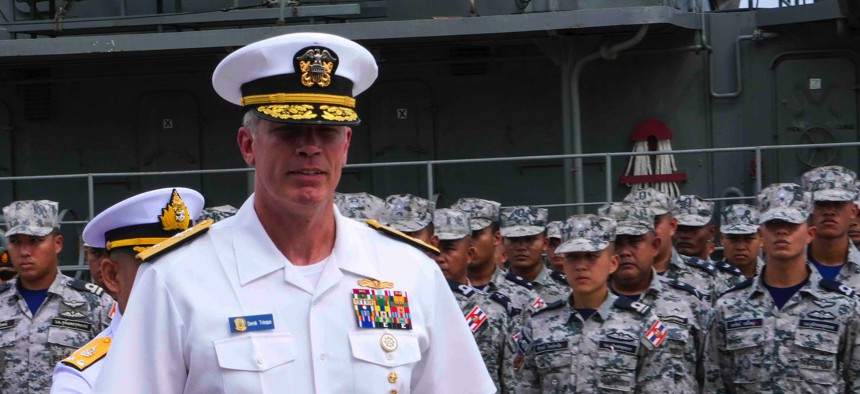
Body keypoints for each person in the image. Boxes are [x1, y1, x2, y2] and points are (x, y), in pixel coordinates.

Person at [94, 32, 493, 393]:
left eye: (327, 132)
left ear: (347, 144)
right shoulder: (175, 279)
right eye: (288, 131)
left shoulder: (409, 271)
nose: (310, 147)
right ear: (248, 145)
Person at [704, 183, 860, 392]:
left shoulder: (844, 307)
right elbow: (715, 384)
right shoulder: (729, 307)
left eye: (791, 224)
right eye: (774, 224)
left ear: (810, 234)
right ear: (760, 235)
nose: (782, 231)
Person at [50, 188, 204, 394]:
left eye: (187, 264)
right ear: (112, 276)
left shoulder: (223, 346)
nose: (177, 279)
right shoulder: (84, 380)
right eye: (156, 268)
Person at [515, 214, 668, 393]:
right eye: (573, 257)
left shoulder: (642, 323)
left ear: (613, 263)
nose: (581, 266)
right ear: (563, 263)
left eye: (591, 256)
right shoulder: (538, 325)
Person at [0, 200, 114, 393]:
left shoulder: (94, 303)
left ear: (58, 243)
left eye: (35, 241)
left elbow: (117, 370)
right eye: (16, 242)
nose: (24, 252)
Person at [602, 203, 710, 392]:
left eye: (635, 241)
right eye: (618, 242)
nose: (625, 251)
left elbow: (710, 374)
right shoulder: (590, 306)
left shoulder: (688, 302)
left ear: (655, 245)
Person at [433, 208, 513, 392]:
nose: (439, 258)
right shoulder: (412, 306)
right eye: (434, 250)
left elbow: (510, 380)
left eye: (449, 249)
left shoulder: (493, 311)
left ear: (469, 254)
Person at [624, 188, 721, 303]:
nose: (645, 230)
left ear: (672, 226)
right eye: (634, 225)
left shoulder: (707, 279)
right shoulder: (604, 280)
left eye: (654, 221)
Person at [800, 166, 860, 289]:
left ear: (853, 211)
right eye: (821, 203)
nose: (829, 212)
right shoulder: (785, 268)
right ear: (806, 209)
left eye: (838, 204)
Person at [500, 206, 569, 306]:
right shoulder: (492, 290)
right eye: (514, 239)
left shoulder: (566, 288)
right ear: (503, 242)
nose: (521, 247)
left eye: (529, 239)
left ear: (545, 243)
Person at [672, 195, 743, 290]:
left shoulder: (729, 280)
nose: (685, 235)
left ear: (711, 232)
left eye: (693, 229)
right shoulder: (654, 276)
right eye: (679, 228)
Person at [718, 204, 763, 278]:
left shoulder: (774, 276)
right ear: (722, 239)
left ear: (761, 239)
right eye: (733, 239)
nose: (740, 247)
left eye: (748, 239)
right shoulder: (708, 277)